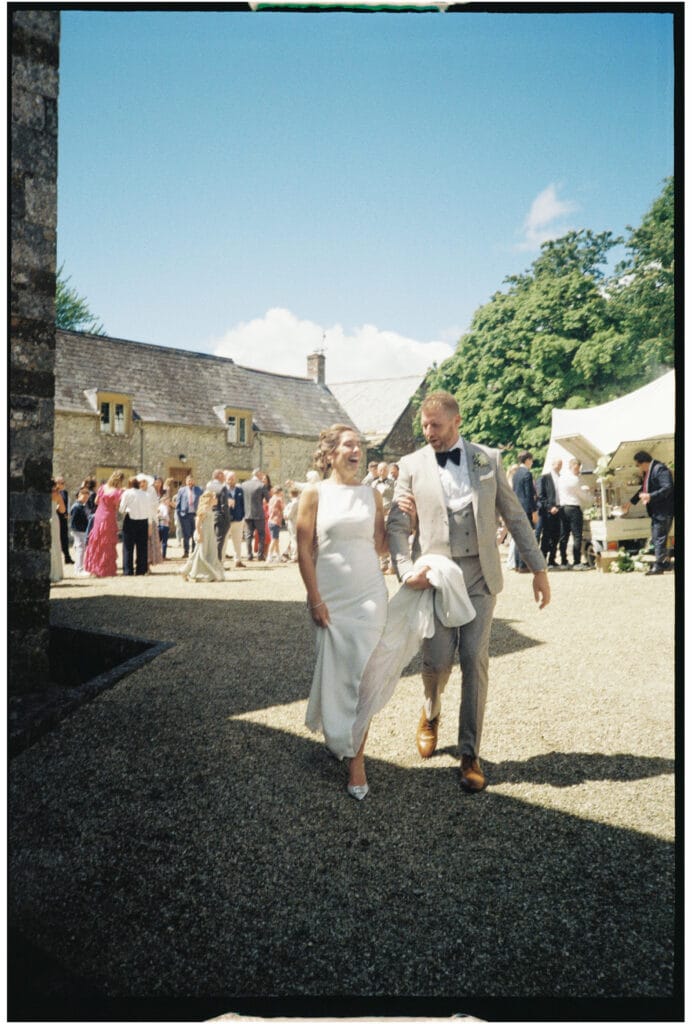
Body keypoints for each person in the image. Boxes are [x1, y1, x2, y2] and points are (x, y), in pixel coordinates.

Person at [387, 391, 550, 793]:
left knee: (474, 658)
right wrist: (406, 570)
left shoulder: (486, 459)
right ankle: (431, 709)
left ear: (456, 422)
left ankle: (469, 753)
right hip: (436, 576)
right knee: (438, 661)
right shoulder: (410, 465)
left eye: (436, 426)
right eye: (424, 426)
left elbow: (514, 515)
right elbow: (396, 523)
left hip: (480, 577)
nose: (429, 433)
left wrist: (539, 569)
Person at [297, 424, 389, 800]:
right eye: (350, 445)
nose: (358, 451)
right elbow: (304, 549)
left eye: (361, 446)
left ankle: (356, 759)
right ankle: (339, 735)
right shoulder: (314, 493)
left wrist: (408, 521)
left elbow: (381, 546)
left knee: (365, 677)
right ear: (331, 453)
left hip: (370, 595)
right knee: (337, 674)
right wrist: (315, 598)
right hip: (332, 598)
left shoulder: (373, 496)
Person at [622, 450, 675, 575]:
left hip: (663, 510)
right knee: (659, 537)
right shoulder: (650, 471)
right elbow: (644, 488)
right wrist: (630, 502)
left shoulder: (659, 469)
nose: (638, 468)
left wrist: (651, 496)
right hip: (657, 511)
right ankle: (664, 563)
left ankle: (659, 566)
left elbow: (668, 487)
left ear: (643, 463)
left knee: (658, 537)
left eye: (637, 465)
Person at [83, 471, 125, 578]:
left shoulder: (103, 487)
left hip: (99, 515)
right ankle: (105, 568)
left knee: (96, 541)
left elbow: (96, 501)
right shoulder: (117, 492)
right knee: (107, 543)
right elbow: (116, 507)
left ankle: (94, 568)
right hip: (108, 516)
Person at [180, 487, 226, 581]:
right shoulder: (204, 508)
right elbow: (198, 521)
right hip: (204, 533)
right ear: (209, 498)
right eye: (214, 497)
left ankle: (211, 573)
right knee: (200, 553)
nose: (216, 499)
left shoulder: (211, 508)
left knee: (210, 553)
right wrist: (200, 534)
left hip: (210, 534)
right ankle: (189, 572)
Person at [557, 457, 592, 570]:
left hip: (563, 508)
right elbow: (582, 495)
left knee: (564, 535)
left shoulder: (561, 478)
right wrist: (591, 497)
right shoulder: (575, 480)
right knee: (577, 535)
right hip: (573, 507)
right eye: (577, 469)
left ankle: (563, 561)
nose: (578, 471)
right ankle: (577, 561)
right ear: (573, 467)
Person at [512, 451, 538, 572]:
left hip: (517, 507)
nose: (532, 463)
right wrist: (533, 511)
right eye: (531, 460)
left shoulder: (516, 473)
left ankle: (518, 564)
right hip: (526, 509)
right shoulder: (527, 474)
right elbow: (529, 495)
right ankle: (523, 565)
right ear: (527, 460)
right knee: (526, 538)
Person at [119, 476, 150, 576]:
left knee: (128, 546)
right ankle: (141, 569)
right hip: (143, 520)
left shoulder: (127, 493)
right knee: (142, 547)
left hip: (131, 520)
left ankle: (128, 570)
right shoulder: (145, 494)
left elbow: (122, 509)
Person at [536, 458, 563, 569]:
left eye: (561, 464)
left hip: (559, 509)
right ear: (552, 464)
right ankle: (543, 559)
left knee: (557, 536)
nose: (559, 465)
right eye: (558, 463)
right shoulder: (545, 478)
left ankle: (552, 559)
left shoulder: (561, 478)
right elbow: (541, 496)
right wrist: (550, 507)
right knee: (547, 536)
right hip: (548, 511)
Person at [242, 468, 269, 562]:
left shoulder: (244, 485)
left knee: (248, 535)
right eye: (261, 474)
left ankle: (249, 555)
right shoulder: (261, 486)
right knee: (261, 535)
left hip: (247, 514)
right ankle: (260, 555)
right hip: (259, 514)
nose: (262, 476)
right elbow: (268, 499)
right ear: (258, 474)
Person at [175, 474, 202, 558]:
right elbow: (178, 504)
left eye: (191, 480)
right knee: (186, 534)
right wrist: (179, 515)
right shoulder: (181, 490)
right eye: (188, 481)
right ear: (186, 482)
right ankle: (186, 551)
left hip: (195, 515)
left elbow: (202, 502)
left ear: (194, 481)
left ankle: (194, 551)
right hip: (185, 515)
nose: (190, 482)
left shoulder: (199, 490)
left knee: (195, 534)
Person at [224, 471, 246, 567]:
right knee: (224, 541)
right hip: (226, 520)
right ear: (226, 480)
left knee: (237, 541)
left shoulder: (240, 490)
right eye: (229, 479)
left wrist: (243, 517)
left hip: (238, 519)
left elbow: (244, 504)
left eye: (233, 479)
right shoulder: (223, 490)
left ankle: (238, 560)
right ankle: (221, 562)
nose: (231, 481)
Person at [210, 468, 231, 562]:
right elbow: (224, 505)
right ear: (219, 476)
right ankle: (217, 562)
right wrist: (227, 518)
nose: (225, 477)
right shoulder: (222, 487)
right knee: (219, 540)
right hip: (220, 516)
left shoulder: (208, 486)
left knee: (211, 540)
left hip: (210, 515)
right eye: (223, 475)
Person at [69, 487, 91, 576]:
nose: (85, 499)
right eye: (84, 496)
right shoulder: (76, 507)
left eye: (87, 497)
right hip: (78, 530)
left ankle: (78, 568)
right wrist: (75, 530)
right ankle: (79, 569)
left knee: (80, 549)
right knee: (80, 549)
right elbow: (73, 520)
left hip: (82, 530)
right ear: (78, 495)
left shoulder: (83, 506)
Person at [54, 476, 74, 565]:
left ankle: (67, 557)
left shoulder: (64, 492)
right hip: (56, 517)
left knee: (64, 537)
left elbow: (67, 504)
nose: (62, 485)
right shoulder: (54, 493)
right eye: (61, 483)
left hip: (63, 519)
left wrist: (67, 514)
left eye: (63, 483)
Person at [50, 480, 65, 583]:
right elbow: (63, 510)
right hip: (54, 518)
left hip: (44, 518)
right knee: (55, 544)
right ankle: (56, 573)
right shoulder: (57, 495)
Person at [267, 486, 285, 563]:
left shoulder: (271, 499)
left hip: (270, 520)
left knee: (276, 540)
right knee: (274, 540)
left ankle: (278, 556)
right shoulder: (279, 499)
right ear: (279, 492)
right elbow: (283, 508)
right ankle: (269, 556)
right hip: (276, 521)